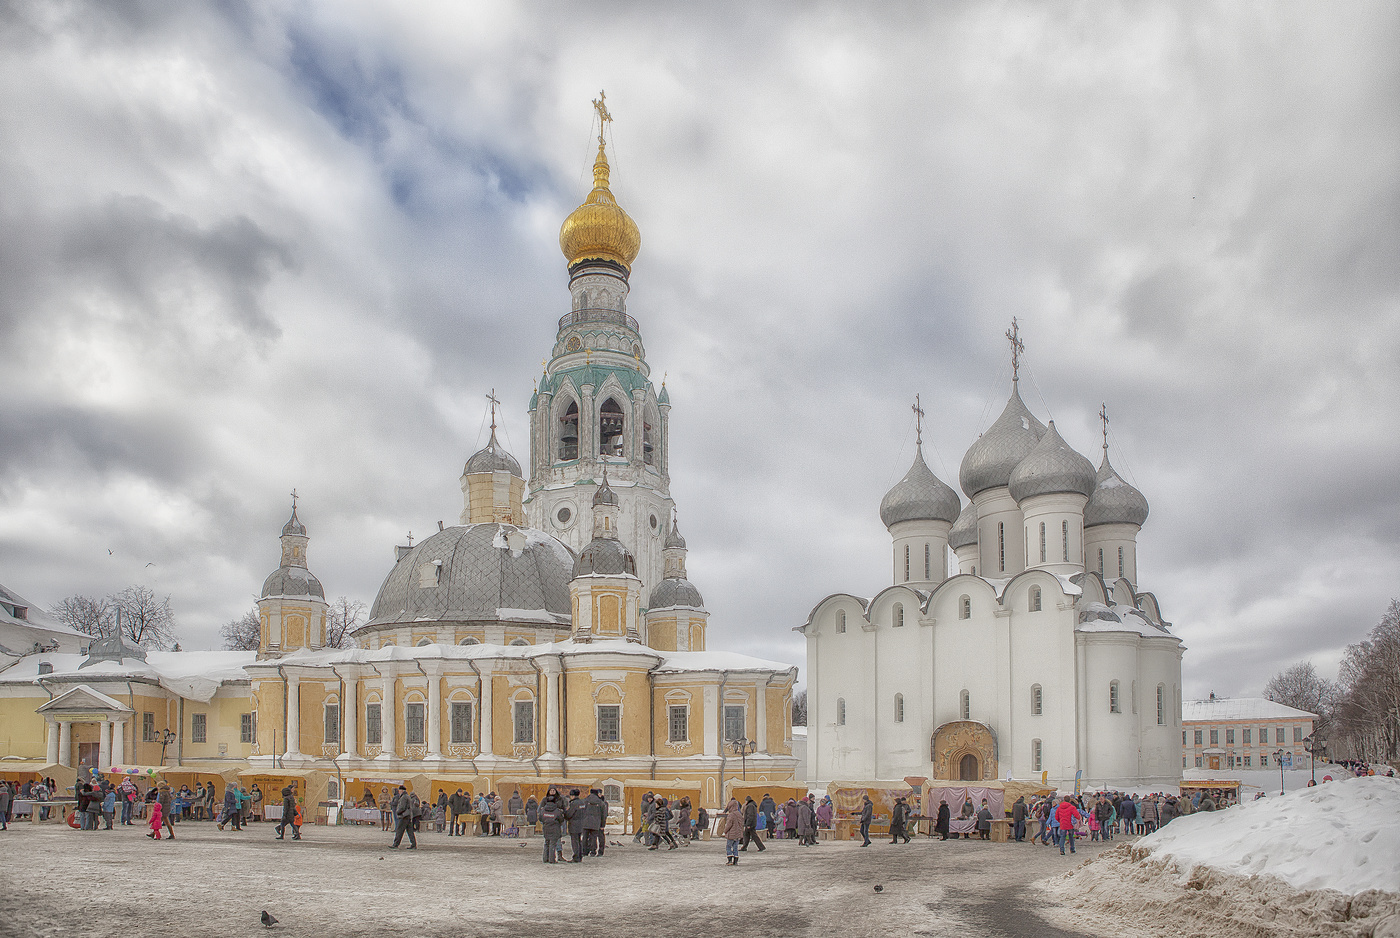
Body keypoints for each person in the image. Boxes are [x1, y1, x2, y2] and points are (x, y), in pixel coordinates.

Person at [540, 786, 565, 863]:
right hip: (555, 825)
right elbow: (561, 817)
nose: (552, 792)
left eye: (553, 790)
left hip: (547, 825)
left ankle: (546, 858)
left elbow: (540, 816)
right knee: (554, 842)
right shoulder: (557, 809)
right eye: (551, 790)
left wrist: (545, 821)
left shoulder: (544, 807)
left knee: (547, 842)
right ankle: (552, 859)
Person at [390, 785, 417, 849]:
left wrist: (398, 812)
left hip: (404, 815)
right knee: (410, 831)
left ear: (401, 790)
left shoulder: (403, 797)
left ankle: (396, 844)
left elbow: (402, 807)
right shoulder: (407, 796)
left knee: (399, 830)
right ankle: (413, 844)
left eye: (399, 790)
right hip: (408, 815)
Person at [565, 788, 587, 862]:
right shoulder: (582, 803)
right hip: (581, 823)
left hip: (574, 824)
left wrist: (565, 813)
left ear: (572, 796)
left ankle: (576, 857)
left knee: (574, 841)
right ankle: (580, 856)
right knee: (579, 840)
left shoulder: (573, 803)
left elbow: (569, 814)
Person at [722, 797, 744, 865]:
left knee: (728, 846)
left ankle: (730, 859)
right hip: (738, 834)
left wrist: (725, 831)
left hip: (731, 834)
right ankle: (736, 859)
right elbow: (742, 823)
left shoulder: (731, 815)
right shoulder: (739, 814)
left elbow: (729, 825)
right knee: (735, 847)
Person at [584, 788, 606, 856]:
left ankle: (584, 851)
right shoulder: (600, 802)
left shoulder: (585, 801)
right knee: (594, 837)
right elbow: (603, 815)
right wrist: (602, 825)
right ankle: (593, 851)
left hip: (585, 822)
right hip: (596, 823)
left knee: (585, 837)